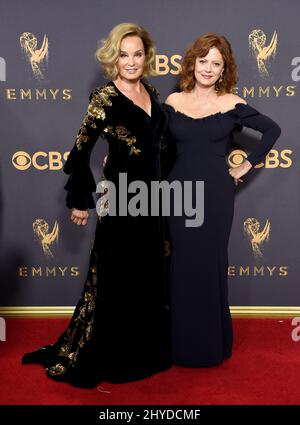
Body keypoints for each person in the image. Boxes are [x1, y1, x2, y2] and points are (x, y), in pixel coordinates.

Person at [22, 23, 171, 388]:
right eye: (124, 54)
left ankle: (146, 353)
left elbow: (154, 147)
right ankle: (117, 358)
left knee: (147, 275)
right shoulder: (104, 98)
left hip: (152, 201)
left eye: (138, 54)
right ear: (112, 58)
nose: (131, 61)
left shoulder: (151, 92)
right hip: (121, 201)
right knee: (117, 277)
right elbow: (80, 151)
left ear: (146, 57)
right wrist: (80, 200)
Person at [163, 33, 281, 367]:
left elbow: (272, 131)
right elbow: (157, 147)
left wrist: (247, 163)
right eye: (204, 61)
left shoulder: (231, 103)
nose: (209, 68)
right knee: (181, 264)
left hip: (215, 195)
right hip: (178, 195)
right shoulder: (172, 103)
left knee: (210, 264)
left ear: (223, 68)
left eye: (217, 63)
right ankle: (179, 345)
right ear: (193, 62)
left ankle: (210, 345)